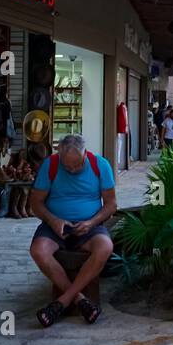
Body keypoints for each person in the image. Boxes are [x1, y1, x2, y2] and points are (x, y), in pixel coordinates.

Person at [28, 134, 117, 327]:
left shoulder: (100, 165)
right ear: (59, 156)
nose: (72, 169)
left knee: (105, 247)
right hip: (55, 226)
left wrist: (92, 222)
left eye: (76, 165)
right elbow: (35, 203)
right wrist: (53, 220)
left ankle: (63, 301)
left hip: (89, 227)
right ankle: (80, 300)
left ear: (85, 154)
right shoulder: (50, 165)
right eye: (67, 166)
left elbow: (111, 205)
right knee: (38, 250)